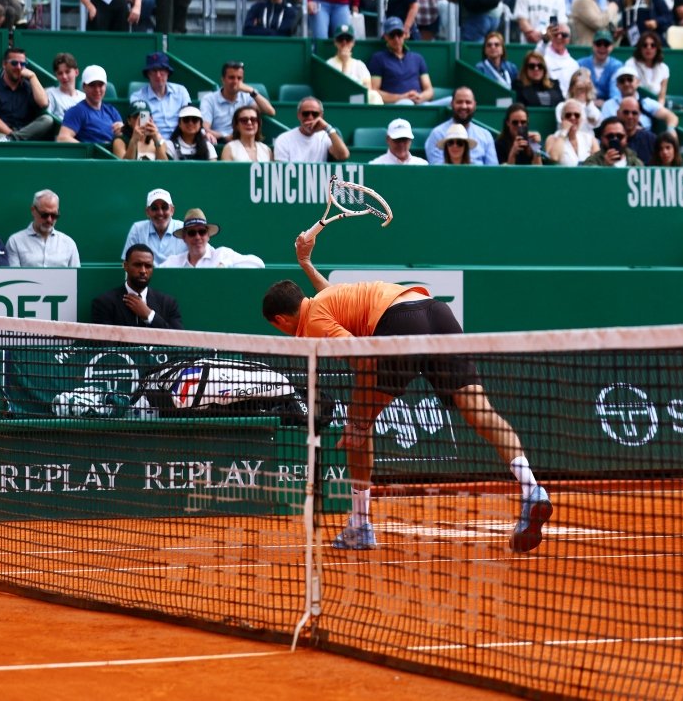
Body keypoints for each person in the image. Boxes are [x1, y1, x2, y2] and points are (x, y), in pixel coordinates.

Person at [261, 235, 552, 554]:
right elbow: (328, 304)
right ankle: (531, 488)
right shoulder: (326, 300)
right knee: (480, 411)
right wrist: (305, 263)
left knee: (359, 426)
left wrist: (358, 418)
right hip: (436, 312)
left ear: (281, 320)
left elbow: (365, 359)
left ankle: (360, 525)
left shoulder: (315, 323)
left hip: (400, 322)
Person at [91, 244, 183, 328]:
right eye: (137, 265)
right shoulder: (105, 303)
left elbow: (178, 338)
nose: (143, 271)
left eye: (148, 266)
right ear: (125, 266)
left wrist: (150, 316)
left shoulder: (168, 303)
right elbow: (104, 340)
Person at [0, 47, 53, 142]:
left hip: (24, 133)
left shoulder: (29, 87)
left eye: (22, 64)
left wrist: (33, 77)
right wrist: (13, 136)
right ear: (4, 64)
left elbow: (44, 104)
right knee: (0, 140)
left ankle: (14, 140)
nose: (18, 67)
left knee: (47, 120)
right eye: (14, 63)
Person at [162, 208, 265, 269]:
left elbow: (258, 263)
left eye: (202, 232)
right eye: (192, 233)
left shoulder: (222, 254)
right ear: (184, 238)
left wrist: (226, 264)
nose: (197, 237)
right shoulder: (173, 262)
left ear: (208, 235)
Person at [201, 61, 276, 143]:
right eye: (231, 77)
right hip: (219, 142)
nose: (235, 81)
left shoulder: (248, 96)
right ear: (223, 79)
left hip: (244, 141)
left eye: (239, 78)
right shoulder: (209, 99)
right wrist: (225, 136)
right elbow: (205, 129)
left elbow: (271, 112)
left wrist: (252, 91)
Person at [56, 65, 124, 154]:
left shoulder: (112, 111)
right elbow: (63, 138)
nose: (97, 89)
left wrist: (122, 131)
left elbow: (123, 139)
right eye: (92, 85)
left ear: (105, 86)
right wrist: (91, 149)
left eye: (100, 85)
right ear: (84, 87)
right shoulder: (76, 111)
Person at [4, 190, 80, 268]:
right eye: (44, 215)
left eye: (54, 215)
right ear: (33, 210)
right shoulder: (15, 242)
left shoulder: (68, 244)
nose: (49, 220)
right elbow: (13, 274)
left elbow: (76, 274)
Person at [368, 17, 435, 105]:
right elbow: (374, 91)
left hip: (421, 103)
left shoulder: (417, 58)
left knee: (450, 101)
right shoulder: (378, 58)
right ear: (386, 37)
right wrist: (402, 97)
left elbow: (429, 89)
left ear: (404, 35)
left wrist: (420, 97)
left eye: (399, 34)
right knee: (407, 103)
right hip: (398, 105)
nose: (396, 39)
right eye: (392, 35)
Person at [425, 87, 498, 165]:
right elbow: (437, 168)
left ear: (474, 105)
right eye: (459, 102)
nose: (464, 106)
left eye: (468, 102)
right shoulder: (437, 134)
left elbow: (493, 168)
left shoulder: (486, 135)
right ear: (452, 104)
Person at [128, 52, 190, 139]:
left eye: (162, 70)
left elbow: (188, 117)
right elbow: (143, 126)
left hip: (181, 139)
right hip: (152, 140)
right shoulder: (138, 97)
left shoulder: (181, 91)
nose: (158, 75)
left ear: (168, 72)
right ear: (148, 74)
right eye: (154, 71)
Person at [273, 97, 350, 162]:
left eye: (315, 114)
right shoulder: (284, 139)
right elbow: (281, 171)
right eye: (305, 114)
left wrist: (328, 128)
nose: (310, 117)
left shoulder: (325, 136)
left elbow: (343, 155)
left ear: (321, 116)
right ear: (298, 115)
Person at [122, 188, 186, 264]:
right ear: (147, 212)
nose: (160, 213)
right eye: (154, 208)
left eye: (164, 207)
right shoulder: (138, 229)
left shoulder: (184, 229)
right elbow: (127, 262)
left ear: (172, 210)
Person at [326, 24, 381, 104]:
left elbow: (367, 90)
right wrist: (344, 63)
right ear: (335, 42)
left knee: (374, 95)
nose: (344, 42)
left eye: (348, 39)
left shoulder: (359, 65)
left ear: (353, 42)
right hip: (337, 101)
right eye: (340, 39)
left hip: (357, 101)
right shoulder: (329, 63)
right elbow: (336, 89)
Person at [543, 97, 597, 165]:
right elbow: (554, 157)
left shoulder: (589, 139)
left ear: (581, 119)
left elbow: (598, 163)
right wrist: (564, 131)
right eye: (568, 115)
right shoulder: (552, 138)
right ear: (562, 118)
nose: (572, 118)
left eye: (577, 115)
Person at [577, 29, 623, 103]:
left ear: (611, 47)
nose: (602, 47)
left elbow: (615, 93)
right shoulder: (582, 64)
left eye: (606, 44)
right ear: (593, 45)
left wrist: (606, 104)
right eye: (598, 44)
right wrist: (591, 103)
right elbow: (580, 89)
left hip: (609, 106)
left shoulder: (617, 66)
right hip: (585, 104)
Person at [625, 31, 669, 105]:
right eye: (645, 45)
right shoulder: (630, 64)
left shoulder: (664, 68)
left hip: (655, 106)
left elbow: (662, 97)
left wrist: (658, 108)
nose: (649, 48)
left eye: (653, 45)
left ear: (657, 48)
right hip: (634, 104)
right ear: (640, 48)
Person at [535, 21, 577, 94]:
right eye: (555, 34)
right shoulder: (543, 55)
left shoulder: (574, 64)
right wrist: (545, 40)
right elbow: (535, 58)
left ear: (569, 39)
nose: (559, 37)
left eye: (564, 35)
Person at [615, 95, 656, 164]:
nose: (630, 116)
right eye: (626, 112)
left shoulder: (650, 139)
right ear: (618, 113)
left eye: (634, 113)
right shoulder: (609, 137)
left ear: (639, 115)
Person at [47, 52, 85, 120]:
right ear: (56, 76)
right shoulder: (51, 93)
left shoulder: (84, 98)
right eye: (60, 73)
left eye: (67, 72)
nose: (64, 76)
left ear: (76, 72)